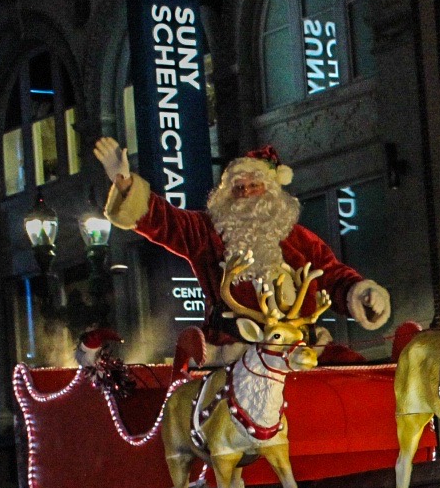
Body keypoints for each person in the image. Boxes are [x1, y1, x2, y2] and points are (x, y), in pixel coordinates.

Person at [93, 137, 390, 369]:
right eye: (239, 188)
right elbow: (166, 222)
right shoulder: (209, 234)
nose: (247, 194)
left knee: (362, 375)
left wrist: (361, 292)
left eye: (254, 186)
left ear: (271, 191)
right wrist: (125, 184)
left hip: (302, 350)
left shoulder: (300, 240)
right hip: (239, 355)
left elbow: (334, 276)